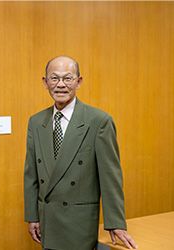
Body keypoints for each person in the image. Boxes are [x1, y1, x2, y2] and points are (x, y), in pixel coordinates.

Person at [23, 56, 138, 250]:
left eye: (67, 78)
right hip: (47, 221)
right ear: (45, 82)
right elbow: (31, 174)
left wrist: (116, 223)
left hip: (79, 223)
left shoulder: (98, 121)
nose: (60, 85)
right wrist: (32, 215)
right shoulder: (36, 122)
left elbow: (110, 176)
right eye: (54, 78)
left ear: (79, 81)